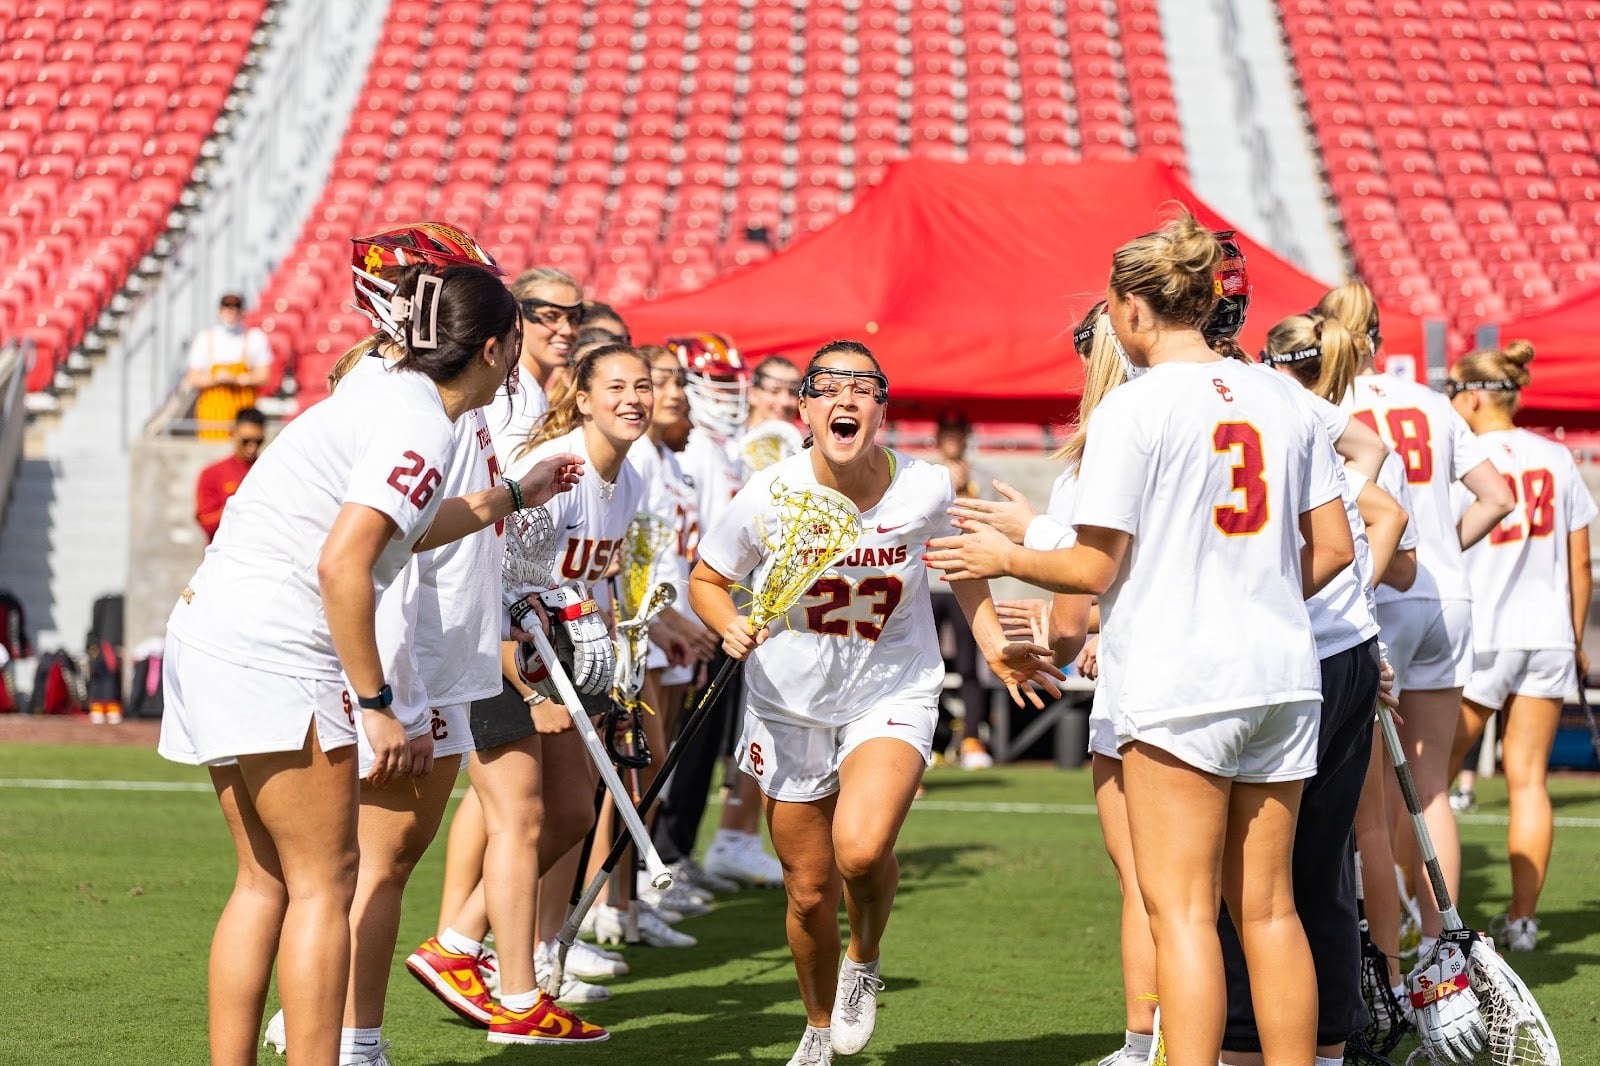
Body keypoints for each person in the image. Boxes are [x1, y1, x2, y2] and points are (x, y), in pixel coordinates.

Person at [927, 212, 1357, 1066]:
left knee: (1184, 910)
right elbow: (1337, 549)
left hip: (1183, 678)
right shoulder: (1283, 395)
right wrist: (1253, 593)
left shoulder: (1135, 407)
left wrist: (1004, 552)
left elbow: (1092, 568)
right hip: (1283, 671)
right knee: (1271, 909)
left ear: (1131, 309)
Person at [157, 252, 586, 1066]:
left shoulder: (388, 394)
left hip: (212, 630)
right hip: (279, 646)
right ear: (494, 350)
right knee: (326, 882)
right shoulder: (422, 418)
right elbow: (345, 564)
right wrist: (381, 701)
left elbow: (408, 530)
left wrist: (515, 495)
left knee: (264, 882)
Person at [690, 339, 1062, 1066]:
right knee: (806, 889)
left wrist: (989, 642)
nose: (847, 398)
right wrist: (729, 623)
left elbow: (963, 565)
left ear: (882, 411)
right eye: (828, 386)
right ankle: (819, 1027)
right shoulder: (768, 492)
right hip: (787, 702)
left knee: (860, 851)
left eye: (864, 386)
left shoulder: (922, 488)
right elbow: (708, 579)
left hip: (892, 686)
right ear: (805, 409)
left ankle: (865, 956)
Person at [413, 343, 654, 1039]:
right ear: (581, 397)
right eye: (616, 386)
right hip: (499, 650)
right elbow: (493, 577)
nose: (633, 398)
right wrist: (529, 680)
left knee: (575, 813)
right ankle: (514, 993)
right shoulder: (559, 470)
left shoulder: (628, 480)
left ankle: (458, 944)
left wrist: (604, 670)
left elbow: (582, 587)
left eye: (643, 385)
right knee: (516, 819)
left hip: (557, 657)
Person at [1320, 281, 1515, 954]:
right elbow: (1496, 496)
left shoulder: (1330, 403)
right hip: (1447, 597)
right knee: (1431, 786)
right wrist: (1444, 550)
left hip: (1382, 594)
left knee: (1369, 805)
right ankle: (1442, 952)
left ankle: (1384, 964)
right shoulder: (1433, 402)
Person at [1447, 341, 1595, 952]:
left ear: (1476, 395)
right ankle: (1524, 922)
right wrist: (1576, 637)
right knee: (1528, 779)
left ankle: (1426, 921)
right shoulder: (1557, 457)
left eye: (1454, 391)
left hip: (1484, 633)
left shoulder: (1464, 453)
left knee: (1428, 781)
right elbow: (1580, 561)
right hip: (1548, 634)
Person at [927, 407, 999, 769]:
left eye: (959, 433)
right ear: (938, 438)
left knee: (972, 664)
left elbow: (990, 525)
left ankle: (972, 737)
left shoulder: (983, 478)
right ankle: (928, 738)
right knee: (921, 662)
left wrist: (965, 489)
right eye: (948, 433)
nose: (953, 440)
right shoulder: (921, 476)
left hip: (965, 575)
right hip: (927, 578)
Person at [185, 293, 274, 440]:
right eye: (227, 307)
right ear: (220, 311)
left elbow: (264, 375)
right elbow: (193, 378)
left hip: (243, 410)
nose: (231, 311)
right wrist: (216, 379)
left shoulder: (254, 337)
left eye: (236, 307)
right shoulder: (205, 338)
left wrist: (239, 379)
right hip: (213, 414)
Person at [195, 408, 267, 543]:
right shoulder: (212, 473)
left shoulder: (268, 471)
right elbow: (206, 523)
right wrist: (240, 504)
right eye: (246, 440)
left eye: (258, 441)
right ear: (233, 434)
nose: (252, 447)